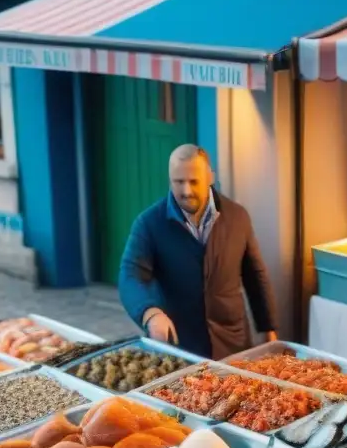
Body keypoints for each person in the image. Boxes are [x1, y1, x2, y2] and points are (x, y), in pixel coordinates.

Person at [118, 144, 278, 358]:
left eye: (194, 182)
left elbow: (255, 275)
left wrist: (268, 328)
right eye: (178, 182)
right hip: (179, 348)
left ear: (210, 177)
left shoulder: (238, 217)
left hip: (234, 344)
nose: (186, 191)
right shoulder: (148, 224)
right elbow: (130, 275)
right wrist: (150, 313)